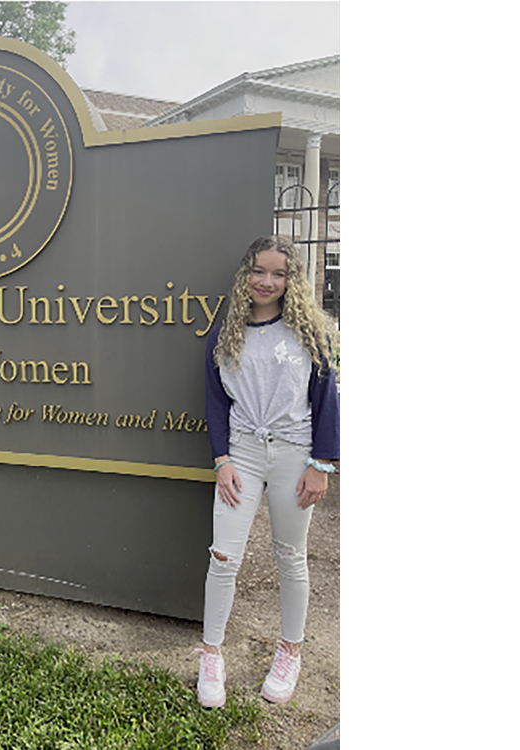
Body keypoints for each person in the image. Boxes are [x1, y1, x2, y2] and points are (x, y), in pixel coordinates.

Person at [196, 235, 340, 707]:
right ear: (246, 274)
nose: (266, 281)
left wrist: (321, 464)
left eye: (278, 273)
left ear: (291, 279)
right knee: (223, 556)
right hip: (242, 453)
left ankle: (290, 651)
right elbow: (215, 401)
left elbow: (326, 399)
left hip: (294, 454)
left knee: (290, 556)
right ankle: (211, 653)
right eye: (259, 271)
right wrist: (222, 460)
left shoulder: (307, 333)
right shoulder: (227, 333)